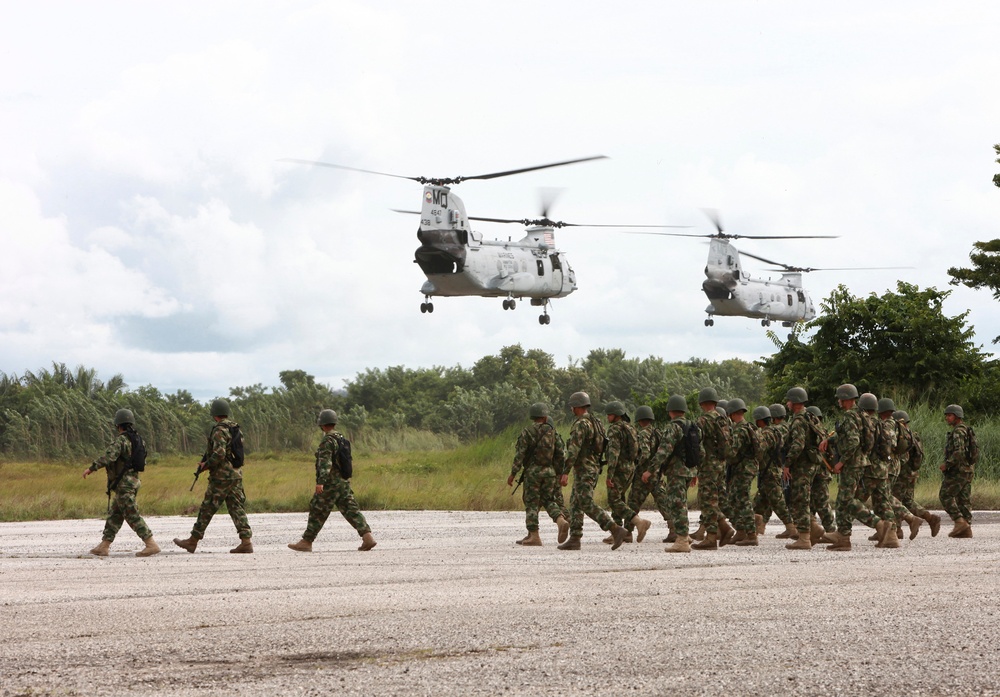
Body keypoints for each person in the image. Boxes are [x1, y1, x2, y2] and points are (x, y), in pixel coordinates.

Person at [289, 409, 376, 552]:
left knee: (317, 510)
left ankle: (306, 542)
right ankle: (368, 537)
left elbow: (325, 463)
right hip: (343, 482)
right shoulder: (341, 438)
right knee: (351, 510)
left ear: (322, 425)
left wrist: (321, 482)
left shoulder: (327, 441)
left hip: (331, 483)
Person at [173, 399, 254, 554]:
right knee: (237, 508)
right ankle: (246, 541)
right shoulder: (235, 428)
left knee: (207, 507)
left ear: (214, 414)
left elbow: (219, 453)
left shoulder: (219, 430)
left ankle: (192, 541)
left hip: (221, 477)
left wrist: (206, 465)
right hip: (236, 474)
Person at [82, 408, 159, 557]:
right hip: (133, 481)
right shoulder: (138, 440)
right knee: (115, 515)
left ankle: (151, 544)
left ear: (118, 424)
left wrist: (92, 468)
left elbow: (109, 457)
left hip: (124, 484)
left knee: (131, 514)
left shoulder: (122, 440)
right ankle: (104, 546)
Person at [557, 391, 628, 550]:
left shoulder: (581, 424)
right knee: (575, 502)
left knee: (585, 502)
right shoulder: (597, 422)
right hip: (593, 467)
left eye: (572, 407)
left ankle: (615, 529)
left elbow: (573, 451)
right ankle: (575, 537)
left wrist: (565, 472)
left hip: (585, 469)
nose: (571, 409)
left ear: (576, 407)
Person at [820, 384, 886, 551]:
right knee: (842, 501)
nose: (838, 401)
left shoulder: (850, 416)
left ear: (846, 399)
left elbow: (853, 441)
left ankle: (879, 524)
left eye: (840, 398)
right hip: (859, 462)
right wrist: (830, 440)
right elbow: (845, 436)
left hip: (852, 464)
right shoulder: (861, 415)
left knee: (847, 501)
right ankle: (843, 536)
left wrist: (841, 462)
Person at [506, 403, 569, 546]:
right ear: (546, 416)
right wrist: (559, 473)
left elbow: (520, 455)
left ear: (532, 417)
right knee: (548, 500)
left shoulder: (527, 432)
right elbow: (560, 455)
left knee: (531, 502)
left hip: (533, 473)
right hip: (550, 473)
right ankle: (560, 520)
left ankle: (534, 535)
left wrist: (513, 473)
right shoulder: (553, 432)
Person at [652, 395, 700, 553]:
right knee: (682, 503)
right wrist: (695, 471)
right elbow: (700, 451)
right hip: (689, 470)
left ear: (670, 410)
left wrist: (651, 469)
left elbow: (663, 451)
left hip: (676, 471)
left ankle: (681, 540)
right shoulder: (692, 425)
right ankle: (685, 535)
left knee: (677, 505)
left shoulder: (673, 427)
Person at [691, 387, 733, 550]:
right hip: (721, 464)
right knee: (713, 498)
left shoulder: (703, 420)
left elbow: (697, 445)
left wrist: (697, 464)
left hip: (708, 465)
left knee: (707, 500)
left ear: (702, 403)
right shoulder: (723, 419)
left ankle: (711, 537)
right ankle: (723, 527)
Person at [604, 401, 651, 543]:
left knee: (614, 499)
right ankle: (619, 531)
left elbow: (614, 453)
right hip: (630, 468)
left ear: (616, 415)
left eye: (609, 414)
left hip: (619, 468)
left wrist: (610, 474)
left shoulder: (614, 429)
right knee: (620, 497)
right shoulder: (630, 428)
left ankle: (638, 522)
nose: (607, 417)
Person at [856, 393, 898, 548]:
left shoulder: (866, 422)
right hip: (883, 469)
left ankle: (878, 525)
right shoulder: (882, 424)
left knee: (853, 502)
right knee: (884, 503)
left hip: (870, 470)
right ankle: (891, 535)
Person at [783, 387, 822, 550]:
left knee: (799, 499)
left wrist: (787, 464)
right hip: (812, 463)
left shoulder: (799, 420)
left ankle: (804, 538)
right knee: (804, 497)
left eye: (789, 401)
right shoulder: (811, 417)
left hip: (802, 465)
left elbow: (798, 445)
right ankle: (814, 528)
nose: (787, 403)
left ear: (795, 402)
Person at [628, 405, 675, 542]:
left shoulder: (643, 433)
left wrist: (637, 465)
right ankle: (674, 530)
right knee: (663, 501)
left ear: (639, 419)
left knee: (633, 502)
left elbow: (645, 454)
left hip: (644, 474)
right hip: (656, 472)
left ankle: (627, 532)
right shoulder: (657, 432)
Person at [892, 410, 941, 535]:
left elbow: (903, 459)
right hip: (911, 473)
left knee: (895, 498)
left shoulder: (902, 437)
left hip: (902, 474)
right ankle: (930, 518)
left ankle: (897, 529)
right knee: (907, 501)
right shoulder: (913, 435)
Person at [751, 406, 797, 539]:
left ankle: (791, 527)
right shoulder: (775, 430)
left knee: (778, 502)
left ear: (760, 420)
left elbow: (760, 449)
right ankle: (756, 528)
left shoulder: (767, 433)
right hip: (769, 471)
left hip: (770, 471)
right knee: (760, 501)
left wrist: (753, 438)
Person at [722, 398, 759, 545]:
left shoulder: (739, 430)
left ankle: (751, 535)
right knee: (733, 499)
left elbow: (731, 453)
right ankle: (741, 531)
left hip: (744, 469)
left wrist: (723, 444)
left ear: (731, 413)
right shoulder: (749, 427)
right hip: (746, 468)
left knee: (742, 500)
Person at [940, 404, 975, 538]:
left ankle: (959, 522)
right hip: (967, 470)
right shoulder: (966, 429)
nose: (947, 418)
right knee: (963, 499)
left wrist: (947, 465)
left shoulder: (958, 431)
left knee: (945, 495)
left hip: (958, 471)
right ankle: (966, 529)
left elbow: (959, 452)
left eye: (949, 415)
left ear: (957, 416)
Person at [805, 405, 836, 542]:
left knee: (822, 503)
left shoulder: (817, 433)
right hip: (819, 472)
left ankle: (831, 531)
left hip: (820, 473)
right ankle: (812, 531)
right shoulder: (822, 431)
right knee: (812, 502)